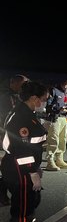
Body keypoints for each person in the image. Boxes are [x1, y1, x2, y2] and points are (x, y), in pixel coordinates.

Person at [1, 81, 48, 222]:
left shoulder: (27, 113)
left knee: (30, 202)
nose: (45, 102)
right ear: (34, 98)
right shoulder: (22, 116)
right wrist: (32, 172)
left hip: (23, 167)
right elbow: (20, 148)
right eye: (44, 99)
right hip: (20, 169)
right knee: (23, 207)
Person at [0, 74, 29, 206]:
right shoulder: (7, 96)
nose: (23, 87)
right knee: (4, 165)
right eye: (22, 84)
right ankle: (2, 196)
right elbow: (8, 116)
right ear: (14, 83)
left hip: (7, 135)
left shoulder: (14, 96)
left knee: (6, 165)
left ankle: (3, 195)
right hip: (4, 135)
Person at [44, 79, 67, 171]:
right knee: (54, 140)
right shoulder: (53, 91)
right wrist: (58, 109)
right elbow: (47, 106)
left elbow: (66, 104)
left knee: (63, 140)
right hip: (55, 118)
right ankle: (50, 161)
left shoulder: (65, 93)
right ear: (66, 86)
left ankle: (59, 159)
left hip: (63, 119)